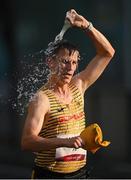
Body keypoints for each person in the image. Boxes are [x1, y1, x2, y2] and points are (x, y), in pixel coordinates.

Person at [21, 9, 115, 179]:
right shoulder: (41, 99)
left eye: (74, 62)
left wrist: (87, 26)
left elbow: (107, 53)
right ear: (50, 62)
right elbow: (27, 142)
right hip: (49, 175)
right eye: (64, 62)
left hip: (79, 174)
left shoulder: (78, 85)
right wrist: (65, 141)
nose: (70, 68)